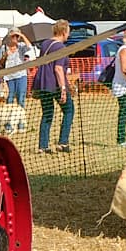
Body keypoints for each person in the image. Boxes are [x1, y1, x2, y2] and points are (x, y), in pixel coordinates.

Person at [31, 20, 76, 153]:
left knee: (47, 114)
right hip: (55, 84)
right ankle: (63, 142)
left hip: (42, 83)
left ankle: (43, 146)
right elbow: (58, 69)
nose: (68, 35)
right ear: (63, 32)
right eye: (68, 32)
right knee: (69, 110)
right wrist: (63, 88)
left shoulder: (45, 43)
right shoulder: (61, 47)